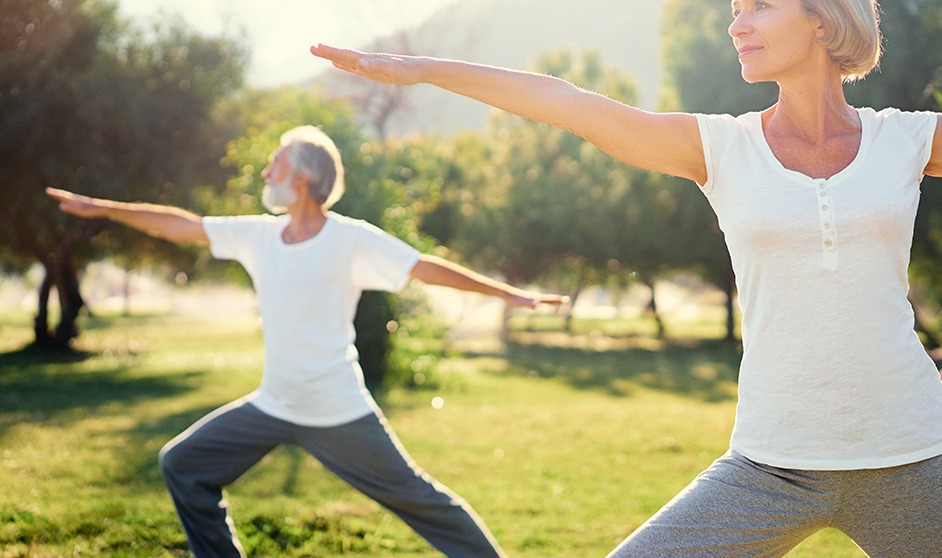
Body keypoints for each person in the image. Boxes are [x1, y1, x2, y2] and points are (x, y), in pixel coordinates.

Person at [310, 0, 942, 557]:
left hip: (913, 457)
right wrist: (421, 68)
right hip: (771, 466)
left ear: (824, 20)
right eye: (734, 8)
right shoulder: (721, 149)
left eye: (759, 6)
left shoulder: (908, 141)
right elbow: (567, 104)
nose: (736, 25)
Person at [47, 124, 567, 558]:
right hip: (274, 403)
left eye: (275, 163)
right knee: (182, 465)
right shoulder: (259, 234)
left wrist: (510, 295)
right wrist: (104, 208)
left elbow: (423, 267)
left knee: (422, 501)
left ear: (300, 179)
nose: (266, 171)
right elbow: (182, 226)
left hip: (336, 409)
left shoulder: (350, 239)